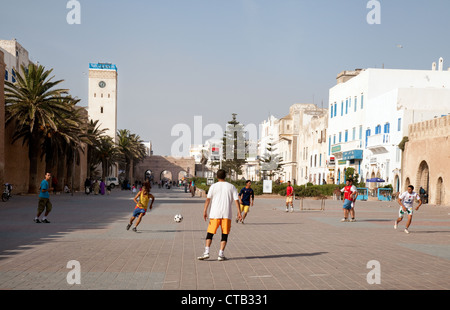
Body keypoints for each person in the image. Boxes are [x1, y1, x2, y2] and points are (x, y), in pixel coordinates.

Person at [198, 169, 242, 261]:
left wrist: (205, 211)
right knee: (224, 234)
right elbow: (236, 200)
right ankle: (220, 254)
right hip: (227, 214)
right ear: (225, 176)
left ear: (217, 177)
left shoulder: (213, 186)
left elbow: (208, 199)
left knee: (210, 233)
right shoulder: (231, 186)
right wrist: (239, 212)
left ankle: (206, 252)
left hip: (214, 214)